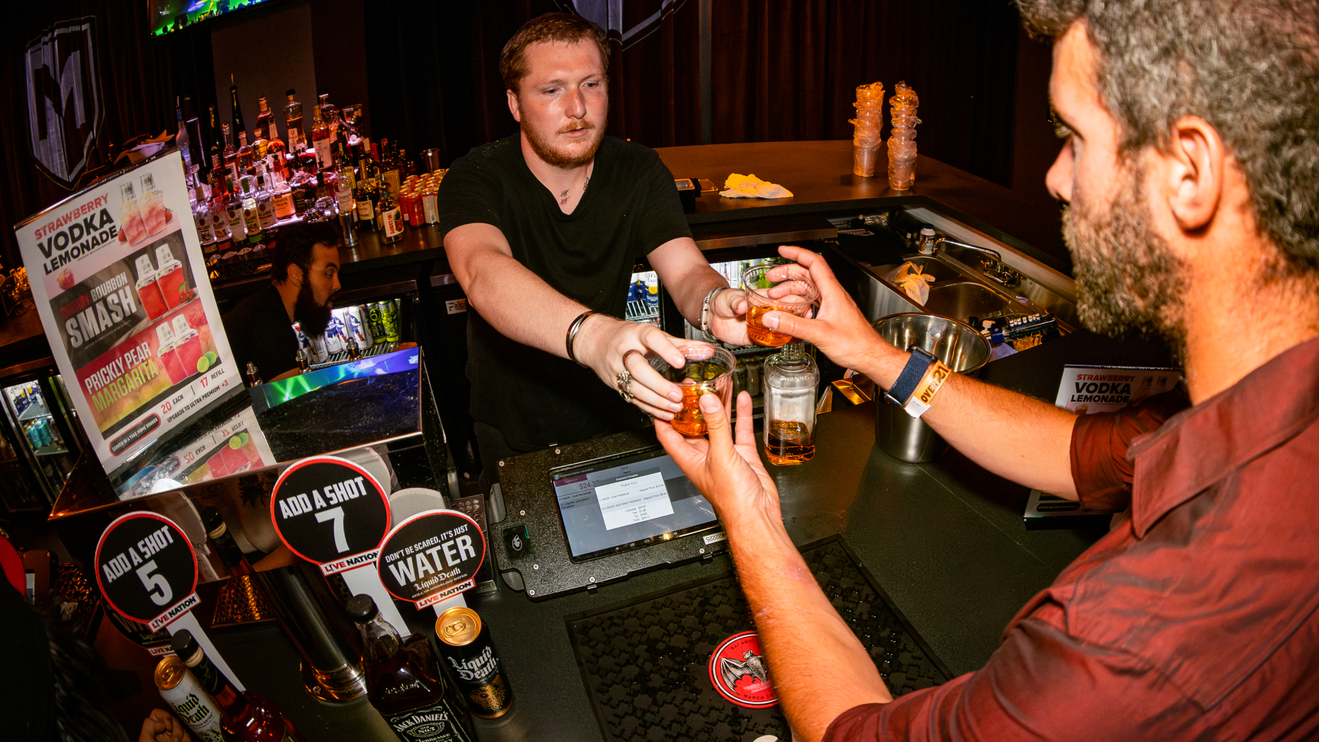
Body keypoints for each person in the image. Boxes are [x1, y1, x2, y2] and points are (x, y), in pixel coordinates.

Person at [656, 0, 1319, 740]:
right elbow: (1083, 455)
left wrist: (747, 516)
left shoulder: (1133, 642)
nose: (1054, 178)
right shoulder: (1277, 404)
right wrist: (872, 355)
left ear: (1190, 171)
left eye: (1072, 137)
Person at [437, 13, 749, 468]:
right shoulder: (475, 177)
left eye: (591, 85)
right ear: (514, 103)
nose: (577, 108)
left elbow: (685, 271)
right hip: (514, 428)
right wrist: (593, 335)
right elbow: (482, 272)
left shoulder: (638, 170)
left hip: (615, 409)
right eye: (552, 90)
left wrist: (714, 300)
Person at [223, 221, 342, 382]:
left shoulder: (267, 307)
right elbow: (294, 398)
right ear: (296, 274)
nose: (337, 285)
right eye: (328, 273)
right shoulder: (269, 325)